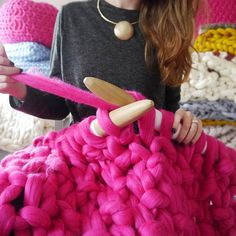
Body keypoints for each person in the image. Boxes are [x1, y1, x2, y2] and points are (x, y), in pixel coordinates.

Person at [0, 0, 203, 144]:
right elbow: (60, 105)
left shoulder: (171, 26)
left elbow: (170, 111)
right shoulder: (71, 17)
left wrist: (185, 123)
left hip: (144, 168)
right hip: (82, 156)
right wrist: (18, 88)